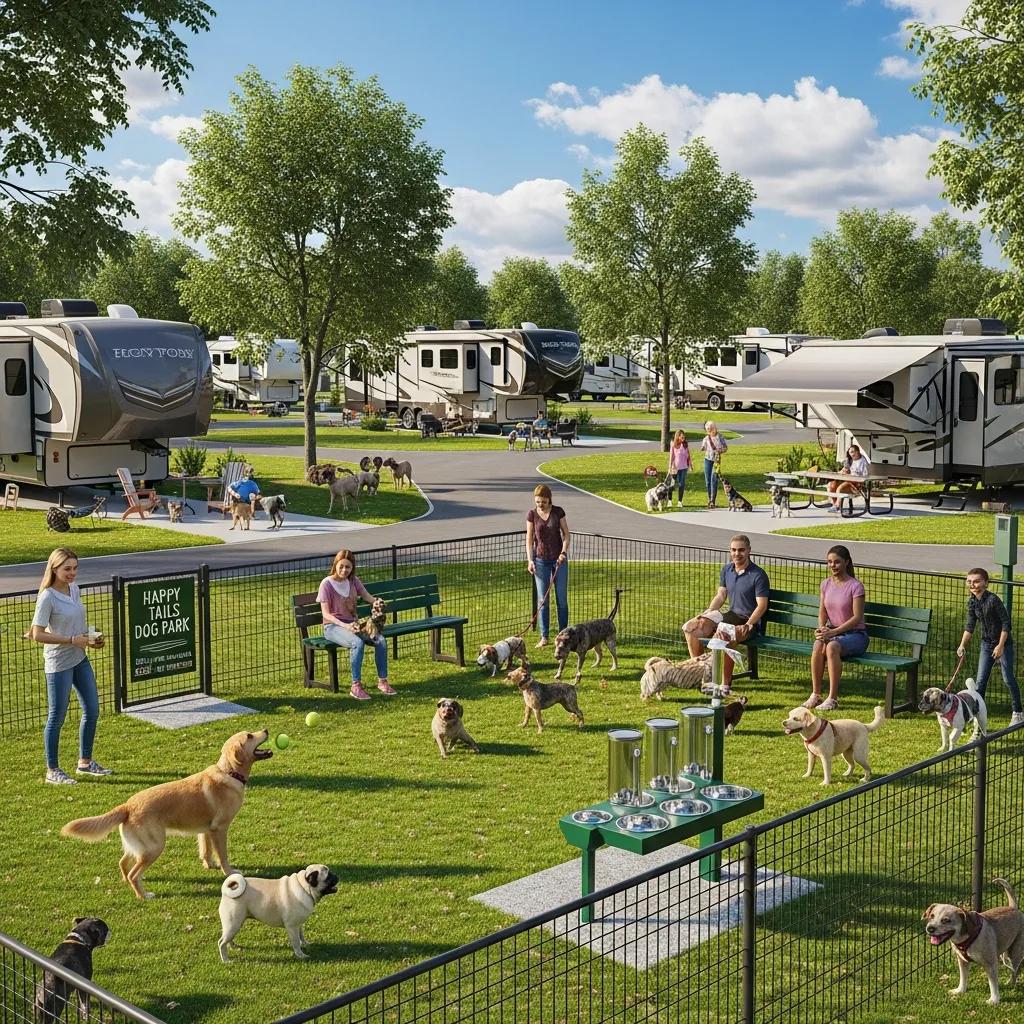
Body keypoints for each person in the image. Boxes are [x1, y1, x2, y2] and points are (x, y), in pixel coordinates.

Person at [29, 547, 111, 785]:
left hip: (79, 657)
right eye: (67, 569)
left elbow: (74, 625)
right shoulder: (47, 597)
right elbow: (37, 634)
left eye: (75, 568)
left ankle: (85, 763)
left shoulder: (74, 590)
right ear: (54, 569)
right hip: (58, 664)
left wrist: (90, 638)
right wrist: (71, 640)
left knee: (92, 710)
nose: (73, 573)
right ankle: (52, 770)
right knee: (57, 717)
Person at [682, 534, 769, 689]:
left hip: (750, 622)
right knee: (692, 626)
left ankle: (725, 684)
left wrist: (748, 624)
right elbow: (721, 595)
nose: (737, 554)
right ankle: (700, 673)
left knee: (725, 635)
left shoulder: (758, 575)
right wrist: (708, 612)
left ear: (749, 550)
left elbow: (761, 605)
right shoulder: (727, 570)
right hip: (732, 615)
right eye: (734, 550)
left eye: (741, 550)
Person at [317, 549, 394, 700]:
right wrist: (345, 626)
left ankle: (383, 681)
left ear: (352, 568)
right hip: (333, 627)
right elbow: (326, 614)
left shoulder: (353, 581)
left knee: (381, 641)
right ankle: (355, 686)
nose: (344, 570)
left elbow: (367, 596)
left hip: (354, 624)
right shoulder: (326, 584)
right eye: (341, 566)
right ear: (335, 565)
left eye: (348, 567)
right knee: (357, 642)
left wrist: (377, 602)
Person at [957, 568, 1024, 725]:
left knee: (1008, 678)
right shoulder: (972, 602)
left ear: (986, 583)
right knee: (980, 682)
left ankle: (1018, 712)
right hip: (986, 644)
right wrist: (962, 645)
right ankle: (978, 716)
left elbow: (1006, 624)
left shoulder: (993, 600)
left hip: (1003, 644)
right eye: (969, 581)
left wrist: (1000, 646)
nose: (972, 585)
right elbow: (969, 626)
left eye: (976, 581)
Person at [805, 545, 867, 710]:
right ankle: (816, 695)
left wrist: (833, 632)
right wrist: (821, 629)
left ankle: (832, 698)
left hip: (856, 635)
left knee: (832, 647)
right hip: (833, 632)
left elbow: (857, 617)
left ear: (846, 562)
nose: (833, 565)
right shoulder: (825, 584)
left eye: (837, 562)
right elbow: (822, 611)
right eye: (829, 562)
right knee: (818, 644)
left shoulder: (856, 586)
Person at [526, 483, 570, 648]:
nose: (540, 505)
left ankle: (564, 634)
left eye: (543, 502)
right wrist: (530, 560)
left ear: (549, 499)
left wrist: (563, 553)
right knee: (543, 600)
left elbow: (566, 534)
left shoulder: (558, 512)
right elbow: (529, 540)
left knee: (562, 599)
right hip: (540, 561)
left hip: (559, 560)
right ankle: (544, 636)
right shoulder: (532, 515)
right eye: (538, 502)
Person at [828, 444, 870, 512]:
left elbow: (865, 476)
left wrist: (850, 475)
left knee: (840, 488)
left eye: (853, 452)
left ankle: (837, 506)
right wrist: (841, 472)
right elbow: (844, 470)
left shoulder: (863, 461)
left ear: (858, 451)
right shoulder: (849, 460)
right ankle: (835, 505)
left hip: (856, 485)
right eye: (850, 452)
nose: (851, 454)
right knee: (831, 485)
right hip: (846, 480)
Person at [700, 421, 727, 509]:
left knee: (714, 479)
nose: (710, 431)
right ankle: (709, 499)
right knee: (708, 480)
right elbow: (703, 448)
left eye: (711, 428)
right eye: (708, 429)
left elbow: (726, 448)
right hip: (707, 460)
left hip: (716, 460)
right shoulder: (706, 438)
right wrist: (703, 448)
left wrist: (720, 450)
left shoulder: (720, 437)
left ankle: (713, 501)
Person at [667, 430, 692, 509]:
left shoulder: (685, 444)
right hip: (675, 468)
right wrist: (670, 467)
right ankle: (670, 501)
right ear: (677, 436)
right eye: (682, 436)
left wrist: (690, 465)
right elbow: (672, 456)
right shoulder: (673, 444)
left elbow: (688, 455)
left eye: (684, 436)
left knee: (681, 484)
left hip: (684, 468)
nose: (683, 438)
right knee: (672, 485)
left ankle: (680, 502)